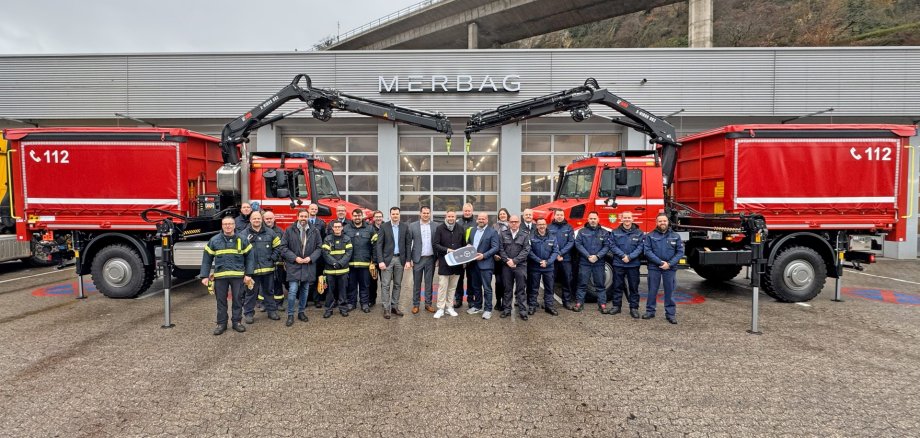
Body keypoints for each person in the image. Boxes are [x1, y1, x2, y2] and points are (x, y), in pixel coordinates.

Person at [200, 216, 254, 335]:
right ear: (222, 226)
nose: (228, 226)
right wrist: (204, 276)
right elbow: (206, 260)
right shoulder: (214, 240)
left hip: (238, 276)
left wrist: (249, 274)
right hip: (220, 277)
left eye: (230, 224)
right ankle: (221, 324)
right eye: (225, 224)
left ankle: (237, 322)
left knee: (238, 300)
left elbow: (250, 257)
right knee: (221, 301)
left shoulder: (242, 239)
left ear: (234, 225)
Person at [280, 209, 323, 327]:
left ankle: (301, 312)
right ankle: (290, 315)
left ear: (308, 217)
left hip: (308, 264)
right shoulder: (289, 230)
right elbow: (283, 247)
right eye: (301, 216)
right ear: (297, 216)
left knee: (305, 290)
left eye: (305, 216)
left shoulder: (315, 231)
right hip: (294, 264)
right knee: (293, 290)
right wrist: (295, 258)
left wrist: (311, 258)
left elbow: (320, 247)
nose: (303, 218)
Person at [238, 210, 282, 323]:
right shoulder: (243, 234)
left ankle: (271, 311)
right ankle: (248, 314)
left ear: (261, 219)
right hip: (251, 271)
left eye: (258, 218)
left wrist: (273, 258)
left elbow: (278, 246)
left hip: (268, 269)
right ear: (250, 220)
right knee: (251, 293)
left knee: (269, 291)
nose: (256, 220)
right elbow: (239, 252)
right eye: (254, 218)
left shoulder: (270, 232)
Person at [642, 213, 684, 324]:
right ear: (656, 223)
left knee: (669, 291)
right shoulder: (650, 236)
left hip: (670, 268)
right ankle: (650, 311)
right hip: (654, 267)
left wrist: (669, 264)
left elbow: (680, 252)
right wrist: (660, 262)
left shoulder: (675, 236)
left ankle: (670, 314)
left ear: (668, 222)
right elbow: (647, 251)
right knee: (652, 290)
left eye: (664, 221)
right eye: (660, 221)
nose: (662, 223)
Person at [375, 207, 411, 319]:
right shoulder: (384, 227)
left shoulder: (405, 227)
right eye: (393, 214)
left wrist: (408, 261)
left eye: (397, 214)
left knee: (397, 284)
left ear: (400, 215)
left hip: (400, 260)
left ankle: (394, 306)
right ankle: (386, 308)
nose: (395, 216)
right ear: (390, 215)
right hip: (387, 260)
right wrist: (380, 261)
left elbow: (408, 245)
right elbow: (379, 245)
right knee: (385, 285)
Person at [607, 211, 644, 318]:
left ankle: (634, 308)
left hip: (633, 264)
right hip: (619, 263)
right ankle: (616, 306)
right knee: (617, 286)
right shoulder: (615, 232)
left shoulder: (639, 233)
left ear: (632, 219)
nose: (627, 219)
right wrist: (623, 256)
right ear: (621, 219)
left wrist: (630, 257)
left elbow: (640, 247)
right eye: (625, 218)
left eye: (629, 218)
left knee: (633, 287)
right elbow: (612, 246)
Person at [431, 210, 465, 318]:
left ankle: (449, 307)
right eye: (449, 216)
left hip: (457, 263)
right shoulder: (440, 228)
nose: (451, 218)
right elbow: (435, 244)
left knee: (452, 287)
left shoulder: (460, 228)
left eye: (453, 216)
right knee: (442, 287)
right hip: (444, 262)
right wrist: (447, 250)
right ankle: (440, 308)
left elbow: (463, 245)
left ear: (456, 217)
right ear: (446, 217)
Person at [466, 212, 500, 319]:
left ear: (487, 220)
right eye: (479, 218)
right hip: (473, 263)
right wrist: (468, 246)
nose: (481, 220)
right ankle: (477, 306)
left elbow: (495, 247)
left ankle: (488, 309)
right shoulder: (472, 231)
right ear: (477, 220)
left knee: (487, 288)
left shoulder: (492, 232)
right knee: (476, 287)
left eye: (483, 219)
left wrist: (484, 256)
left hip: (486, 264)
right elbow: (470, 243)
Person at [574, 212, 609, 313]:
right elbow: (578, 244)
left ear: (598, 219)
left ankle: (602, 305)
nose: (593, 220)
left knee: (600, 284)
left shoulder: (604, 232)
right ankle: (579, 303)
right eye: (591, 218)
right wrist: (588, 256)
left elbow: (607, 246)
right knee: (582, 284)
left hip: (599, 262)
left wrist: (597, 256)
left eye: (594, 218)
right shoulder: (582, 232)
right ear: (588, 220)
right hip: (585, 262)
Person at [498, 215, 531, 320]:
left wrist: (515, 261)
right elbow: (500, 249)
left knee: (521, 289)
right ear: (508, 222)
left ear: (519, 223)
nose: (514, 223)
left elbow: (526, 250)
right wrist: (508, 261)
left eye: (516, 222)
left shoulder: (525, 235)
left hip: (520, 266)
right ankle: (507, 309)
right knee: (507, 289)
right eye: (512, 222)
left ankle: (522, 311)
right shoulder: (503, 234)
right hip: (507, 265)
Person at [344, 209, 375, 313]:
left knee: (365, 285)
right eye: (355, 216)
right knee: (351, 285)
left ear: (362, 216)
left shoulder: (370, 229)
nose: (357, 217)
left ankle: (364, 304)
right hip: (350, 263)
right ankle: (351, 303)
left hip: (365, 264)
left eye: (359, 215)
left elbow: (375, 246)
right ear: (352, 217)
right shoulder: (346, 229)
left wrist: (373, 261)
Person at [408, 206, 437, 314]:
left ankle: (428, 304)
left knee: (429, 283)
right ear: (420, 213)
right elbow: (408, 243)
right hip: (417, 259)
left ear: (430, 214)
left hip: (431, 259)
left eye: (427, 213)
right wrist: (409, 259)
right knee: (417, 283)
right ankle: (416, 305)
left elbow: (437, 243)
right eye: (424, 213)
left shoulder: (435, 226)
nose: (425, 215)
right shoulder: (412, 226)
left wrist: (437, 258)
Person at [528, 218, 559, 316]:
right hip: (535, 266)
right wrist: (539, 261)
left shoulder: (552, 237)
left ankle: (549, 306)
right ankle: (532, 306)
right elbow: (529, 251)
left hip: (548, 267)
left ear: (546, 225)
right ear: (536, 226)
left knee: (549, 287)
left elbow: (555, 251)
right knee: (534, 288)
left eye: (543, 224)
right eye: (539, 224)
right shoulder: (531, 236)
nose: (541, 226)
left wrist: (548, 262)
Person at [321, 221, 353, 318]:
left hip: (343, 270)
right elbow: (325, 253)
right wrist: (334, 263)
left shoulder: (347, 239)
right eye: (336, 227)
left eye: (339, 227)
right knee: (330, 292)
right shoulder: (327, 239)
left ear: (342, 228)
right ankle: (328, 310)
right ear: (333, 228)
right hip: (330, 271)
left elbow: (349, 253)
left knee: (342, 291)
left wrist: (340, 263)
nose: (337, 228)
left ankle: (343, 309)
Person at [548, 209, 576, 310]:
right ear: (554, 216)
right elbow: (547, 242)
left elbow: (571, 242)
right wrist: (555, 255)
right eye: (558, 215)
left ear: (564, 216)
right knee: (550, 281)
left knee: (567, 280)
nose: (559, 216)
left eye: (561, 215)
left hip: (565, 259)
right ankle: (549, 302)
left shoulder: (569, 228)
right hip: (552, 260)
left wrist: (560, 253)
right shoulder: (549, 227)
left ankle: (567, 301)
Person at [262, 210, 286, 310]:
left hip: (277, 262)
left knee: (278, 283)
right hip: (264, 262)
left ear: (274, 219)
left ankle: (279, 303)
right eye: (267, 219)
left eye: (270, 218)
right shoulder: (260, 230)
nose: (269, 220)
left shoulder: (280, 231)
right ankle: (264, 304)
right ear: (263, 219)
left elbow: (282, 246)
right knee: (264, 284)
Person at [453, 203, 477, 308]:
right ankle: (458, 299)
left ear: (472, 211)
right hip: (460, 255)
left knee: (471, 278)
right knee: (459, 279)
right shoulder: (457, 223)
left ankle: (470, 299)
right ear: (463, 211)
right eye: (465, 211)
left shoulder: (476, 223)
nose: (467, 213)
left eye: (469, 211)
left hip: (472, 256)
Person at [307, 203, 326, 308]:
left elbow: (322, 239)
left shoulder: (321, 223)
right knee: (306, 278)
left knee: (318, 277)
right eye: (312, 209)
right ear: (308, 210)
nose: (313, 210)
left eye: (315, 209)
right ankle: (304, 300)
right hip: (306, 255)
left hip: (318, 256)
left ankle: (317, 299)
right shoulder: (303, 221)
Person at [492, 208, 511, 311]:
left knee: (506, 282)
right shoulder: (495, 226)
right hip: (497, 258)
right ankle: (498, 301)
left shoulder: (511, 226)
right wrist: (495, 254)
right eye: (501, 214)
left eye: (504, 214)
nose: (502, 215)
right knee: (498, 282)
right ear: (498, 216)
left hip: (508, 258)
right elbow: (492, 241)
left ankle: (506, 302)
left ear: (507, 215)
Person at [368, 210, 384, 307]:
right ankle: (372, 300)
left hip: (383, 260)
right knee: (372, 282)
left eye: (380, 216)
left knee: (384, 282)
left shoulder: (386, 227)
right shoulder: (369, 229)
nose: (378, 218)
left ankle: (384, 301)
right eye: (376, 217)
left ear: (382, 217)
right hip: (372, 260)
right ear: (373, 218)